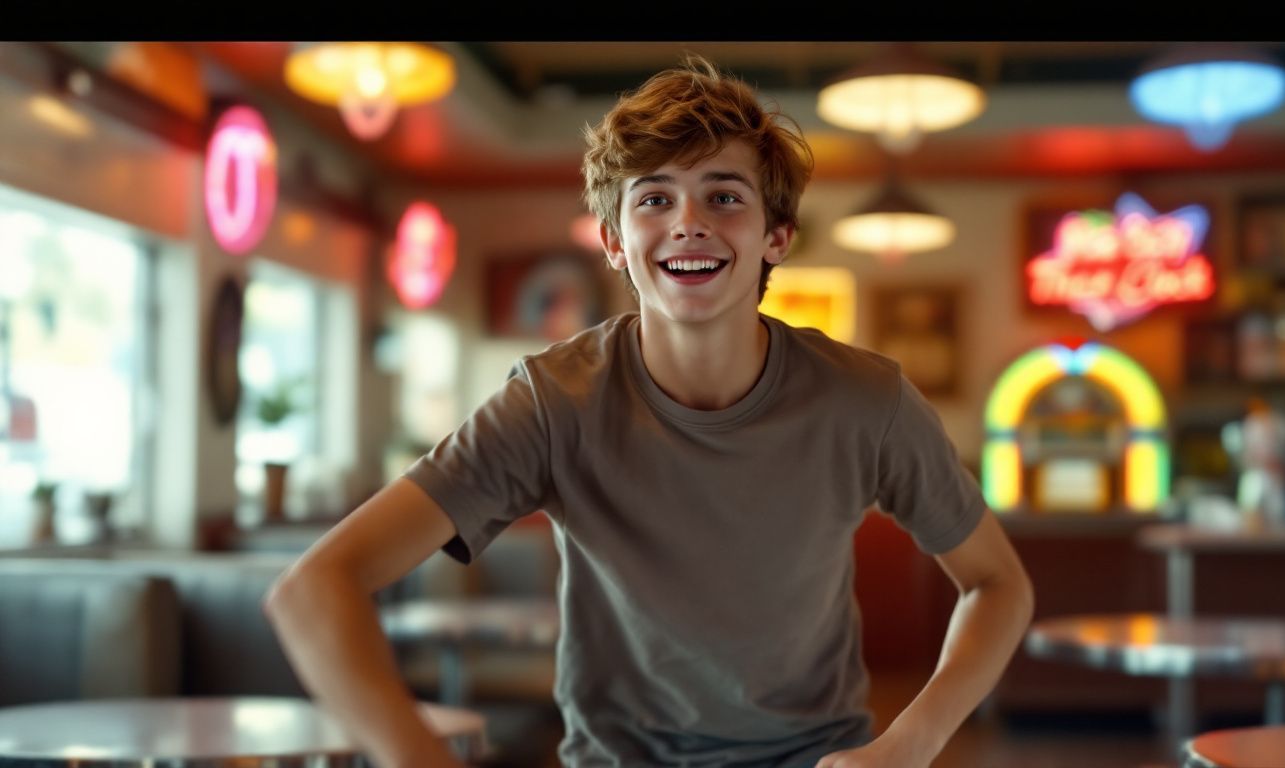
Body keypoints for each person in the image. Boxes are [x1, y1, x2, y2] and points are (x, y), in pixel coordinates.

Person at [265, 56, 1033, 768]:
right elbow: (313, 589)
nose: (688, 221)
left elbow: (999, 585)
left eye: (724, 196)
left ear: (777, 237)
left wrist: (913, 742)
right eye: (655, 198)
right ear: (612, 238)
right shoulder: (550, 402)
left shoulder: (867, 400)